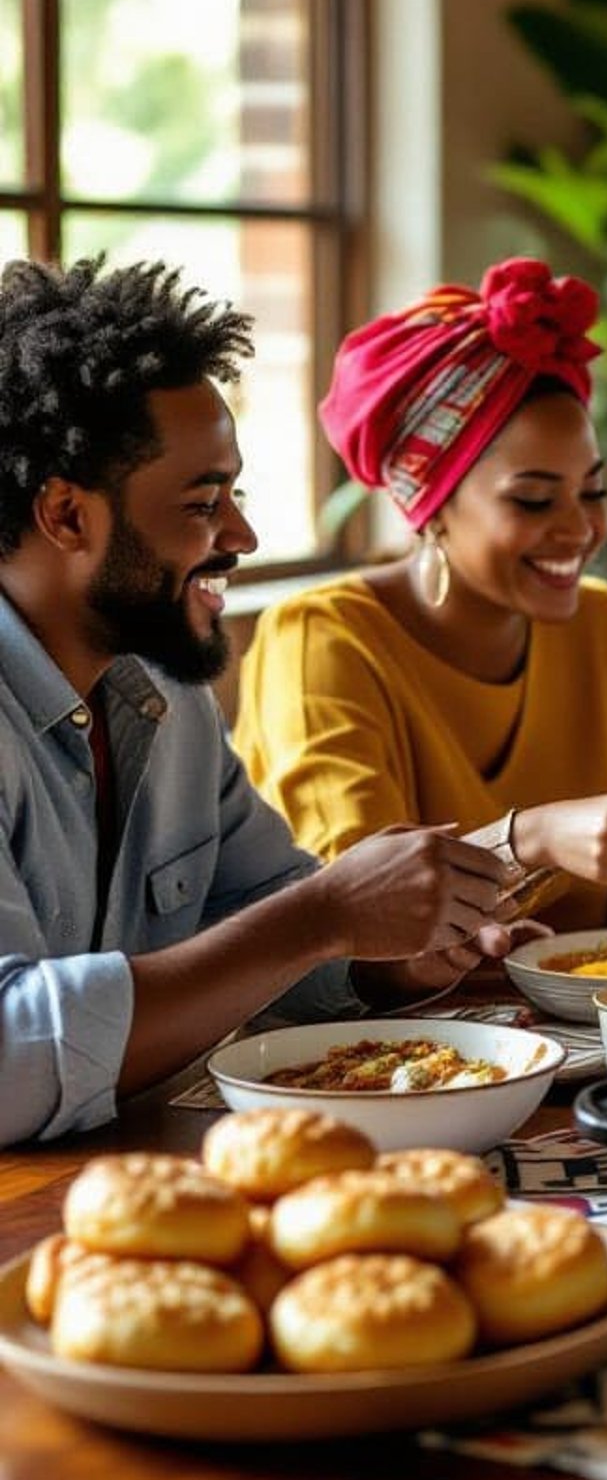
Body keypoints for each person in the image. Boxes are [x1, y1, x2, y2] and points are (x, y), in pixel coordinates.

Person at [0, 256, 515, 1147]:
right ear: (68, 516)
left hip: (133, 1170)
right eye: (205, 504)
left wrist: (380, 959)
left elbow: (257, 914)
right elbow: (8, 1057)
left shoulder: (164, 686)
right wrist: (323, 917)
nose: (241, 536)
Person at [233, 260, 607, 935]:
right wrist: (530, 839)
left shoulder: (604, 626)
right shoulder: (323, 640)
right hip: (388, 1038)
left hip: (584, 1029)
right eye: (533, 499)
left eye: (593, 491)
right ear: (432, 507)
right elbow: (354, 915)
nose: (579, 528)